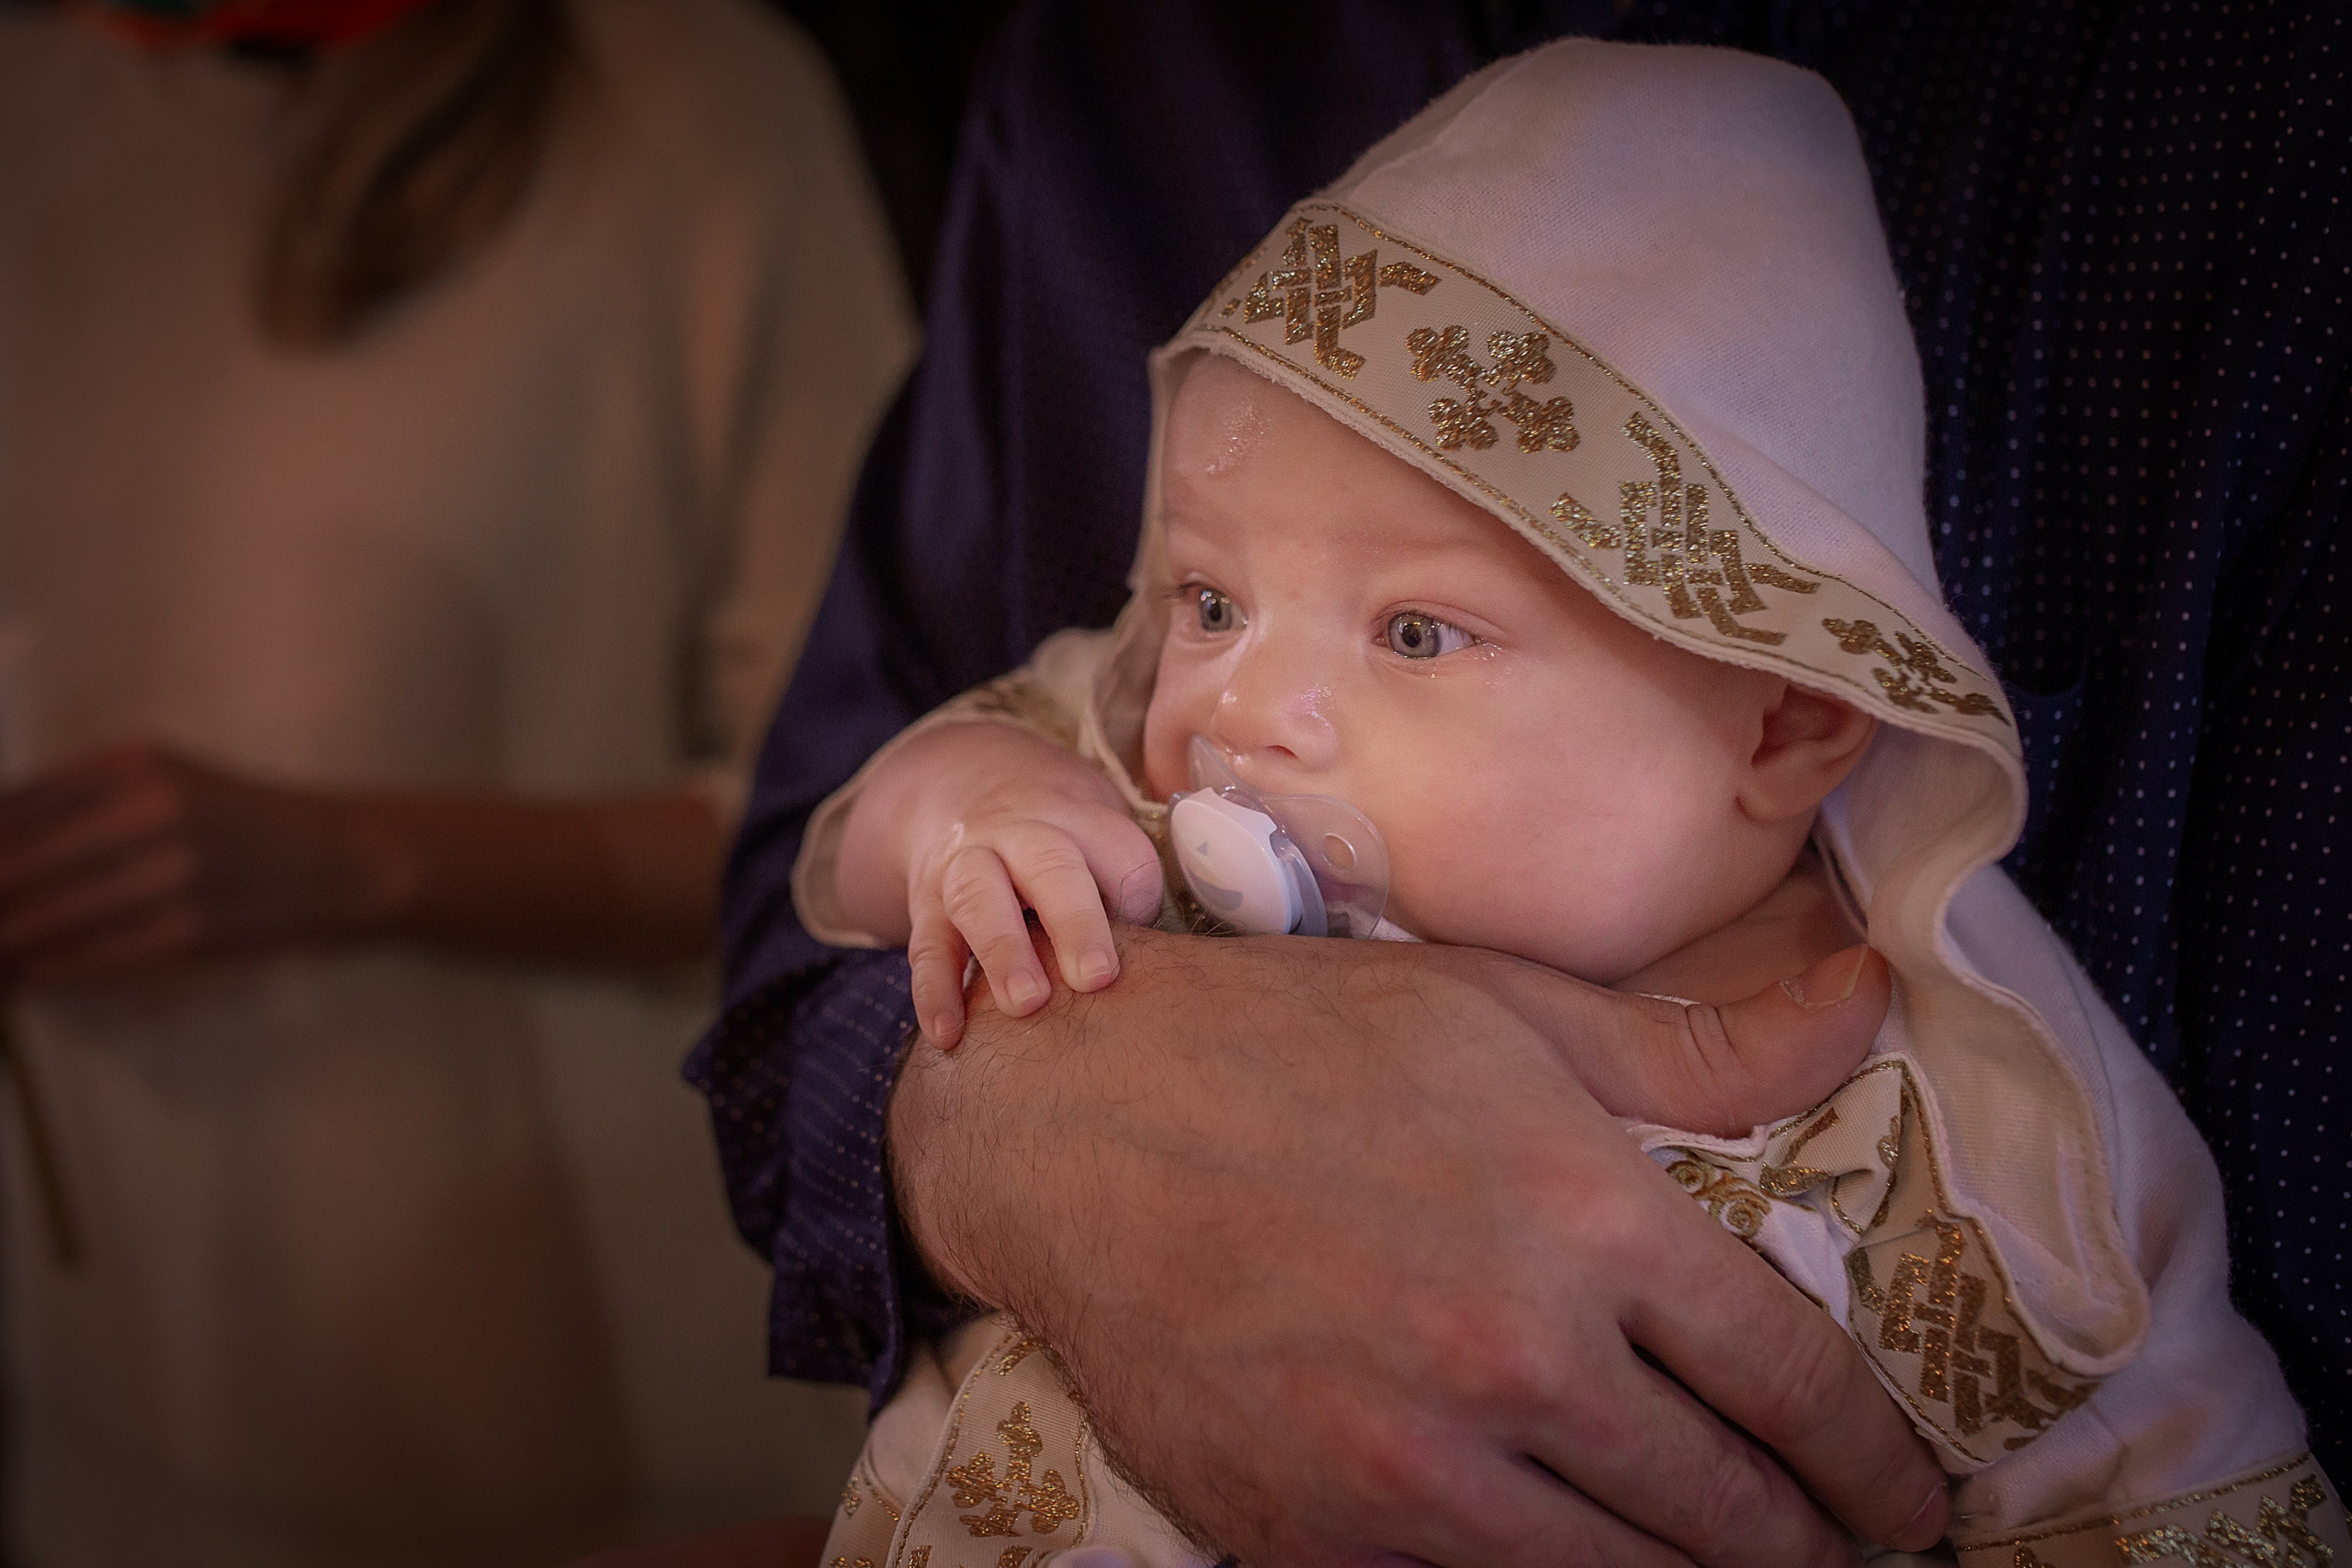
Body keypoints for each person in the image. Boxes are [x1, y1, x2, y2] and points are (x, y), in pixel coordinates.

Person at [696, 4, 2351, 1562]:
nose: (1242, 703)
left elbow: (2168, 1467)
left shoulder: (1973, 1117)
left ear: (1778, 727)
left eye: (1417, 631)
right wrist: (983, 815)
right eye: (1208, 600)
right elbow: (845, 851)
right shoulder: (1135, 854)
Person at [0, 0, 912, 1562]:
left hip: (611, 1427)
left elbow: (869, 824)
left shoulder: (692, 105)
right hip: (131, 1400)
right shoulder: (36, 102)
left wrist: (348, 857)